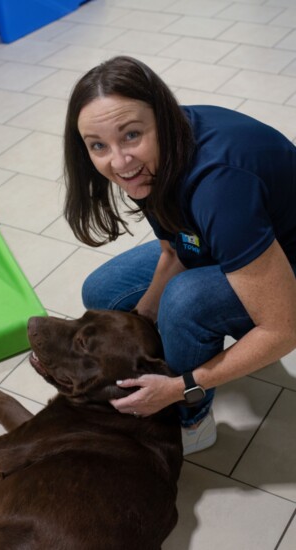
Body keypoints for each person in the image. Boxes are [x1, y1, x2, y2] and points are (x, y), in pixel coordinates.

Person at [63, 55, 296, 456]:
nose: (118, 162)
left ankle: (192, 418)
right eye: (98, 146)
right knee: (103, 293)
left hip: (284, 264)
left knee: (185, 301)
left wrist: (180, 386)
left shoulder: (218, 183)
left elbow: (283, 329)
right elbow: (174, 247)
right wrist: (145, 314)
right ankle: (190, 355)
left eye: (131, 136)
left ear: (161, 118)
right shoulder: (154, 160)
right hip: (230, 239)